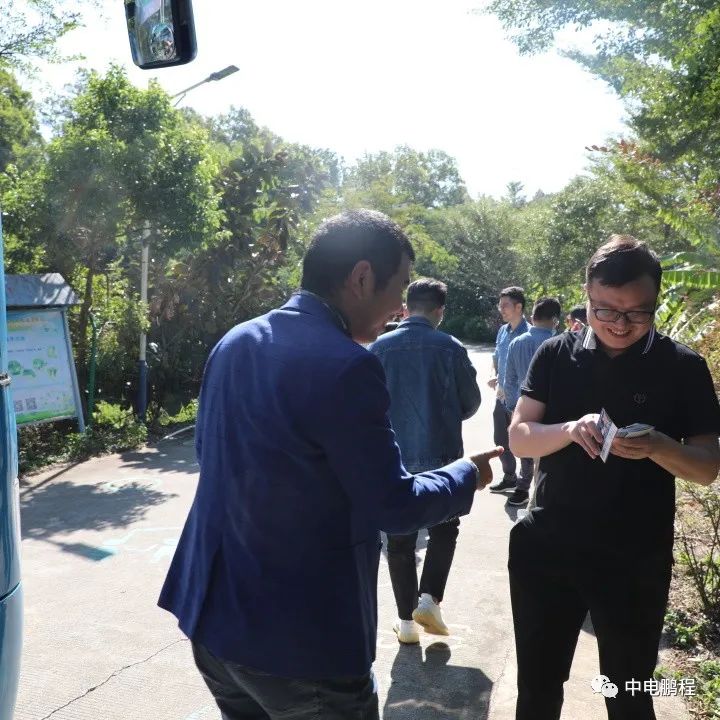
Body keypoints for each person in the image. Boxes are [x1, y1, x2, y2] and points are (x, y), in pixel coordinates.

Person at [158, 209, 503, 720]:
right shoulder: (346, 365)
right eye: (399, 287)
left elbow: (211, 458)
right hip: (300, 645)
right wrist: (466, 474)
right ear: (362, 277)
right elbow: (393, 506)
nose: (400, 306)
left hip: (213, 624)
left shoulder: (236, 340)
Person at [508, 235, 720, 720]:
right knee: (537, 689)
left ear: (656, 300)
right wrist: (568, 429)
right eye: (606, 310)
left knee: (629, 693)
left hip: (634, 559)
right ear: (586, 294)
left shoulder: (683, 366)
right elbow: (519, 437)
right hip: (548, 548)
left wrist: (660, 446)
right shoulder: (555, 355)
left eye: (638, 313)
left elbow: (707, 467)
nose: (621, 325)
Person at [370, 278, 481, 644]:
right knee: (444, 530)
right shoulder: (451, 347)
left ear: (406, 307)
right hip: (442, 455)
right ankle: (429, 599)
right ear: (440, 311)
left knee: (399, 540)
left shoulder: (379, 348)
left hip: (392, 457)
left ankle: (406, 624)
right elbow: (471, 403)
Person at [502, 297, 562, 507]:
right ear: (555, 320)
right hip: (553, 415)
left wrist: (513, 410)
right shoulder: (560, 344)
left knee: (529, 458)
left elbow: (508, 381)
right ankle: (538, 505)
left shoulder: (517, 343)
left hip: (524, 411)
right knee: (546, 466)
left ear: (532, 317)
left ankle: (530, 501)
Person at [487, 286, 533, 494]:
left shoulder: (529, 334)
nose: (501, 309)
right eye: (500, 305)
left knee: (522, 442)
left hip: (521, 399)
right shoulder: (502, 331)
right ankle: (509, 477)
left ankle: (523, 486)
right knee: (500, 439)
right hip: (501, 395)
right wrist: (493, 374)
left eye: (505, 305)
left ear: (518, 307)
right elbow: (496, 356)